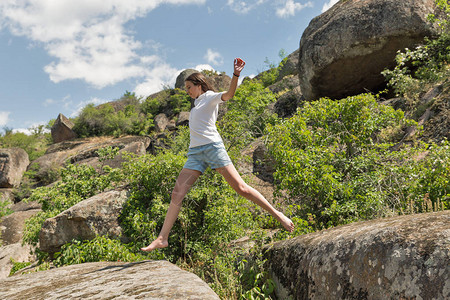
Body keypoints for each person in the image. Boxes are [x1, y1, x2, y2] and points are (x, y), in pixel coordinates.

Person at [141, 58, 294, 252]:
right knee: (177, 193)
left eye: (189, 87)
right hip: (195, 153)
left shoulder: (210, 96)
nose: (187, 91)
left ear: (199, 85)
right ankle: (162, 238)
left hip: (213, 148)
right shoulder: (196, 105)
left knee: (241, 188)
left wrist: (236, 74)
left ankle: (278, 215)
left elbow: (229, 95)